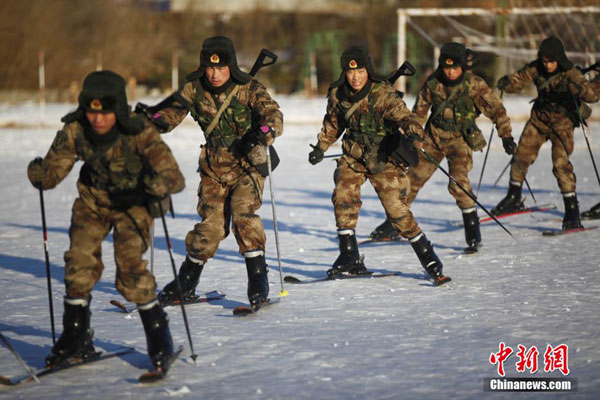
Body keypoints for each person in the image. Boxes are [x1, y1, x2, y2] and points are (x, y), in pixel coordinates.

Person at [27, 70, 185, 370]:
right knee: (78, 263)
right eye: (91, 111)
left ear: (119, 110)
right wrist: (40, 175)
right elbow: (53, 170)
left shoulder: (140, 131)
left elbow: (174, 176)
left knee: (130, 268)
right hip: (93, 202)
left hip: (133, 204)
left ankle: (157, 333)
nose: (97, 120)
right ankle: (76, 336)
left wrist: (159, 185)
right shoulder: (75, 129)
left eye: (106, 113)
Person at [148, 36, 283, 309]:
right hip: (213, 169)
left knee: (243, 213)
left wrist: (262, 133)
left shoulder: (249, 87)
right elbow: (168, 116)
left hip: (247, 166)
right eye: (210, 68)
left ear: (230, 66)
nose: (215, 73)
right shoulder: (193, 88)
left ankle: (258, 277)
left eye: (221, 68)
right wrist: (148, 121)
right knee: (210, 227)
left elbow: (274, 116)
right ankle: (187, 281)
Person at [308, 46, 449, 286]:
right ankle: (349, 255)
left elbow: (407, 117)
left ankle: (429, 258)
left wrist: (415, 134)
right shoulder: (338, 94)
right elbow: (333, 123)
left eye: (361, 71)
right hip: (353, 157)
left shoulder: (383, 93)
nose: (355, 77)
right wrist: (320, 147)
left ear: (368, 71)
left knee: (397, 212)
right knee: (343, 196)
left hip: (384, 159)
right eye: (351, 72)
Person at [369, 43, 514, 253]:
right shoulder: (433, 82)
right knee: (410, 181)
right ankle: (395, 223)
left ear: (463, 67)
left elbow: (497, 111)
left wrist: (506, 136)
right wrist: (412, 134)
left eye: (455, 67)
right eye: (447, 67)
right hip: (433, 139)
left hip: (460, 141)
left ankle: (473, 231)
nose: (451, 71)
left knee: (458, 184)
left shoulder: (474, 84)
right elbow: (419, 113)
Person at [491, 36, 599, 230]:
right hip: (539, 119)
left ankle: (572, 210)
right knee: (521, 155)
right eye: (545, 60)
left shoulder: (571, 73)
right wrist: (507, 83)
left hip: (563, 123)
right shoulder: (536, 67)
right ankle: (513, 196)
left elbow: (592, 95)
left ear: (559, 58)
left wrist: (578, 89)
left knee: (560, 165)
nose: (547, 65)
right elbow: (519, 79)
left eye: (551, 61)